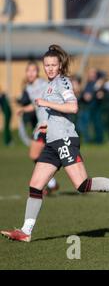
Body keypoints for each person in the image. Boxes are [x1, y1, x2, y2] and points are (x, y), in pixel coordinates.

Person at [0, 45, 109, 243]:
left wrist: (47, 104)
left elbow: (73, 107)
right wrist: (46, 125)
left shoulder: (63, 82)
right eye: (47, 65)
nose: (50, 68)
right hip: (52, 142)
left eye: (53, 65)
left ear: (60, 65)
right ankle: (26, 231)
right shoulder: (49, 85)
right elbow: (53, 112)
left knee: (83, 185)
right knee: (35, 186)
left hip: (65, 140)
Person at [16, 61, 59, 195]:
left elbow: (52, 98)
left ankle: (51, 183)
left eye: (33, 70)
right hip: (41, 124)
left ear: (37, 72)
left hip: (47, 124)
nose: (30, 73)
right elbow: (36, 104)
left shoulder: (43, 84)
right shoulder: (29, 88)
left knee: (35, 154)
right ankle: (52, 183)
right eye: (28, 71)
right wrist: (24, 109)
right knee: (38, 155)